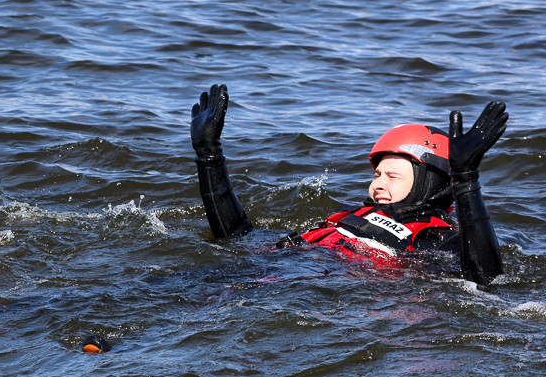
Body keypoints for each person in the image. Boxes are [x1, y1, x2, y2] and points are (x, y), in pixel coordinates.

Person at [190, 84, 508, 286]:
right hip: (264, 274)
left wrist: (465, 181)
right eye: (376, 175)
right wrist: (209, 156)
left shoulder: (438, 239)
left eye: (392, 176)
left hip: (306, 293)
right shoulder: (345, 218)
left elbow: (485, 279)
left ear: (430, 186)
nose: (377, 185)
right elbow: (236, 237)